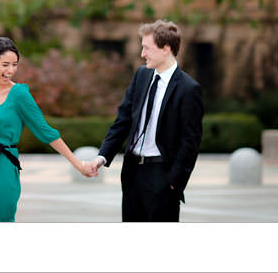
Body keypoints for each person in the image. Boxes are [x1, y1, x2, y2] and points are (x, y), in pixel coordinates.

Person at [0, 37, 94, 222]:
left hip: (1, 168)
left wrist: (78, 164)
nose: (11, 70)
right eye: (5, 64)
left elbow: (46, 131)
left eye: (15, 64)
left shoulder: (19, 95)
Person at [87, 19, 203, 221]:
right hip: (132, 173)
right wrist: (102, 156)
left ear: (166, 49)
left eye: (147, 48)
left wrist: (174, 182)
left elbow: (190, 141)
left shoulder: (188, 88)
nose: (142, 54)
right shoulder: (141, 75)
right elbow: (122, 121)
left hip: (162, 176)